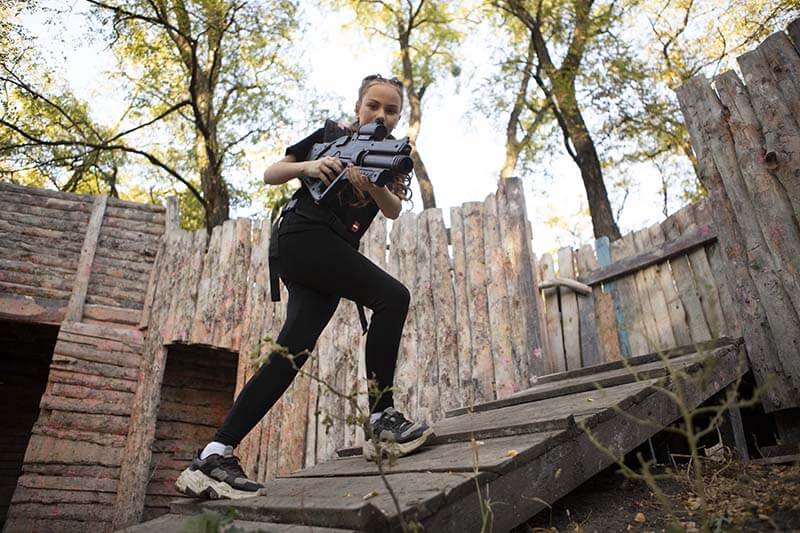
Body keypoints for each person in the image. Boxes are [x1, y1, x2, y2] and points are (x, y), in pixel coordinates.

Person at [175, 74, 434, 500]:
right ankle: (383, 418)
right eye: (374, 105)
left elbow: (391, 211)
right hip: (304, 237)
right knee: (393, 296)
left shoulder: (388, 155)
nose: (381, 115)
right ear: (358, 105)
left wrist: (370, 184)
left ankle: (213, 456)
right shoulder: (329, 136)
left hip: (330, 254)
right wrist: (310, 166)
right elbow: (271, 172)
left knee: (290, 354)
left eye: (391, 110)